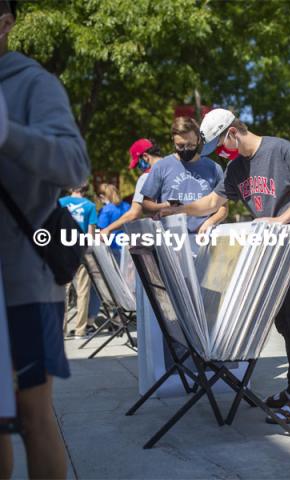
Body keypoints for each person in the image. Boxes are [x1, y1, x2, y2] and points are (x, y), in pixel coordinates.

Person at [161, 108, 290, 423]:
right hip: (270, 255)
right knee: (283, 325)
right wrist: (174, 209)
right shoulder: (237, 168)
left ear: (233, 132)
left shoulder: (279, 149)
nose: (222, 154)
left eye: (221, 146)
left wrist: (280, 220)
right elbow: (213, 202)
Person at [0, 1, 90, 478]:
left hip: (22, 287)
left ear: (6, 23)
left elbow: (75, 165)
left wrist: (7, 133)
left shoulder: (34, 83)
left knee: (32, 417)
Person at [141, 117, 228, 238]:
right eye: (180, 146)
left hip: (205, 238)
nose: (186, 150)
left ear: (198, 140)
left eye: (190, 145)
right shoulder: (161, 166)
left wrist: (210, 222)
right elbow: (145, 205)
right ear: (173, 141)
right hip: (171, 239)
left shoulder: (214, 168)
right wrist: (165, 207)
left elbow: (223, 207)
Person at [99, 139, 162, 237]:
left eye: (138, 164)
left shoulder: (146, 177)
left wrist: (108, 229)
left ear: (145, 156)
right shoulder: (176, 168)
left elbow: (134, 213)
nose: (139, 168)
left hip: (162, 235)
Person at [59, 185, 97, 339]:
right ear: (85, 189)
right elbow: (90, 234)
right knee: (83, 291)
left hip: (62, 250)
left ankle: (61, 329)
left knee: (62, 291)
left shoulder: (61, 202)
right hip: (80, 250)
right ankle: (80, 330)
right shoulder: (90, 206)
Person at [96, 183, 130, 263]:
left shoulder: (105, 210)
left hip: (113, 247)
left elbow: (101, 233)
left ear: (102, 196)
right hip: (128, 246)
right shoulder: (128, 206)